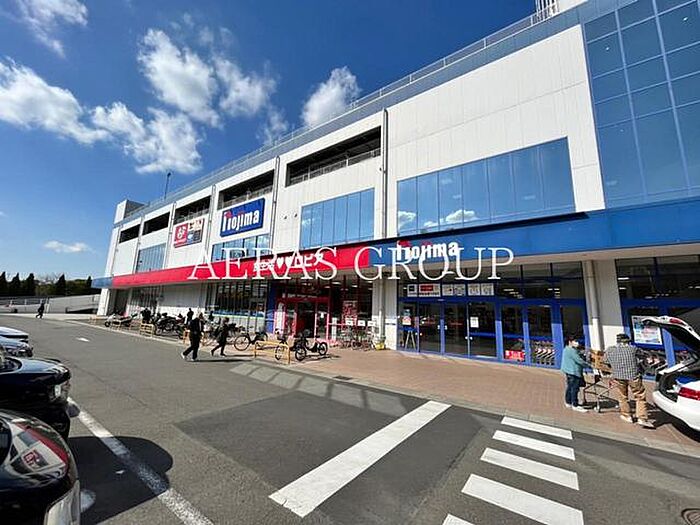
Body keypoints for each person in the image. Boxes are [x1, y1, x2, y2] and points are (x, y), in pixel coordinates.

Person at [605, 333, 654, 428]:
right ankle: (642, 418)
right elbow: (643, 355)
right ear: (627, 341)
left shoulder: (610, 349)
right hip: (633, 376)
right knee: (639, 396)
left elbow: (606, 361)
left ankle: (626, 415)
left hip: (618, 376)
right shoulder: (633, 349)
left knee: (622, 396)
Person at [560, 336, 588, 412]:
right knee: (574, 388)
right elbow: (578, 360)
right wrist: (588, 365)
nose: (577, 343)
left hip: (568, 371)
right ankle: (575, 404)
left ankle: (568, 402)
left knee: (570, 387)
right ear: (570, 342)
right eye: (575, 341)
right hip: (573, 372)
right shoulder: (571, 350)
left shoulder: (567, 349)